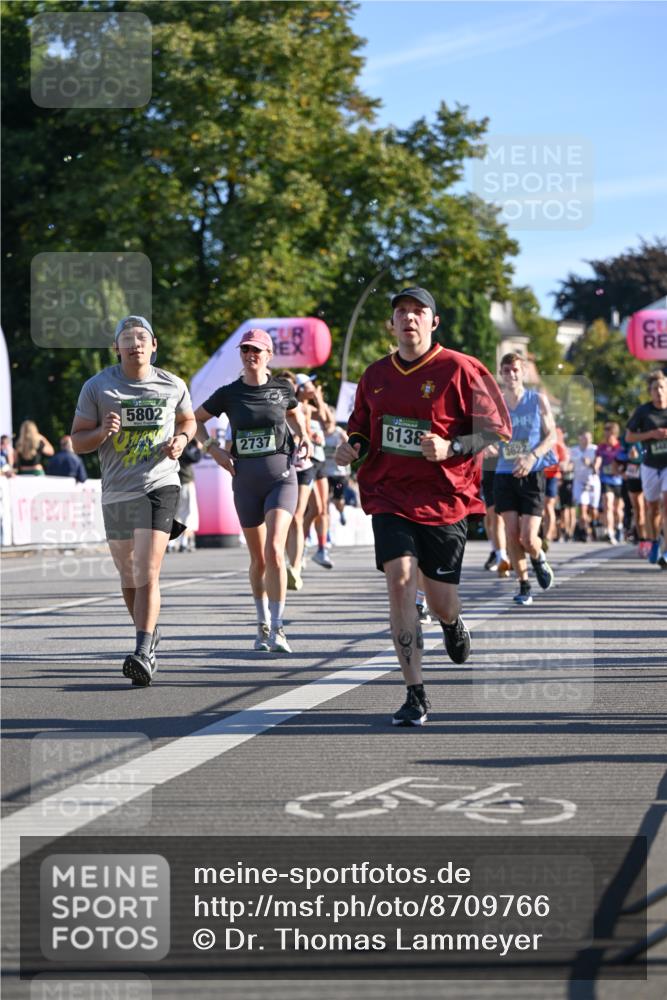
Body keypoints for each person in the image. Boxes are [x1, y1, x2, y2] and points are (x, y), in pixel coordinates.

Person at [335, 286, 511, 726]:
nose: (409, 318)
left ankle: (452, 624)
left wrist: (451, 446)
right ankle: (415, 692)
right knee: (399, 582)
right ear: (390, 325)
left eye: (418, 312)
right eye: (401, 312)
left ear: (434, 323)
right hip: (389, 495)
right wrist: (351, 447)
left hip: (446, 500)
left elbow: (498, 431)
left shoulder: (462, 368)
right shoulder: (375, 375)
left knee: (441, 603)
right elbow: (361, 428)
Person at [71, 315, 196, 686]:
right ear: (117, 348)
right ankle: (149, 633)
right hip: (117, 489)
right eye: (127, 338)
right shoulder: (98, 387)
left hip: (160, 483)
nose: (135, 343)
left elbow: (189, 421)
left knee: (147, 569)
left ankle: (142, 651)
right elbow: (77, 441)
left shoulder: (172, 384)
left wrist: (182, 440)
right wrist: (101, 431)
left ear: (154, 345)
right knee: (128, 574)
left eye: (142, 337)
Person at [194, 329, 310, 652]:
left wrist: (305, 437)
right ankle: (261, 624)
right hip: (245, 482)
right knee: (258, 559)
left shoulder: (282, 389)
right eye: (245, 349)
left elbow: (296, 414)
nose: (250, 354)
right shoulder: (229, 393)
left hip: (282, 478)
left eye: (257, 350)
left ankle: (278, 627)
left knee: (275, 549)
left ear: (269, 355)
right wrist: (212, 449)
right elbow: (192, 420)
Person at [494, 353, 557, 607]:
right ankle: (524, 584)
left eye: (516, 370)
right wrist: (486, 446)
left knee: (528, 538)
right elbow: (486, 435)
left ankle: (538, 556)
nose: (511, 374)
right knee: (511, 533)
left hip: (531, 473)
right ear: (501, 373)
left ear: (524, 373)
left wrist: (532, 456)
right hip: (503, 473)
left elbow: (552, 436)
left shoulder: (537, 400)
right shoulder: (495, 404)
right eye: (507, 370)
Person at [626, 369, 667, 568]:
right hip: (650, 465)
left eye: (661, 387)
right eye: (654, 388)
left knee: (666, 504)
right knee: (652, 509)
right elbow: (629, 437)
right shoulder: (643, 411)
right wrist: (652, 433)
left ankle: (666, 551)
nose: (658, 391)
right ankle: (654, 541)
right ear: (649, 392)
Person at [297, 374, 336, 569]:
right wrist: (311, 437)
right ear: (301, 388)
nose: (313, 386)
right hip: (307, 461)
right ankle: (300, 546)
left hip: (320, 461)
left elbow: (329, 424)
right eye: (309, 384)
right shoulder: (296, 407)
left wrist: (319, 399)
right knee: (314, 509)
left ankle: (321, 550)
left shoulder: (310, 406)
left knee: (322, 509)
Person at [167, 438, 202, 552]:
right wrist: (197, 447)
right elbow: (195, 457)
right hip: (185, 482)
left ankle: (172, 543)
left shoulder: (168, 440)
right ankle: (183, 542)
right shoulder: (180, 442)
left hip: (171, 483)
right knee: (188, 513)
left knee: (175, 514)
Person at [595, 421, 625, 544]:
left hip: (619, 481)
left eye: (609, 435)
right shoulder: (601, 447)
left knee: (618, 509)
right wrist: (595, 467)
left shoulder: (620, 448)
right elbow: (598, 459)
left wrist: (620, 469)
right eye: (605, 434)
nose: (607, 437)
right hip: (605, 479)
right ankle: (610, 531)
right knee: (608, 504)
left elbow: (625, 463)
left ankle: (619, 526)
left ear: (615, 435)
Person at [570, 429, 601, 542]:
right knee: (582, 509)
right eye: (584, 437)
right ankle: (585, 531)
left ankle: (593, 525)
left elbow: (597, 466)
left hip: (593, 482)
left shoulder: (595, 449)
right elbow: (569, 464)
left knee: (593, 511)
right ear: (580, 438)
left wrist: (591, 464)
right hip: (579, 482)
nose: (586, 440)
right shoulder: (573, 450)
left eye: (588, 438)